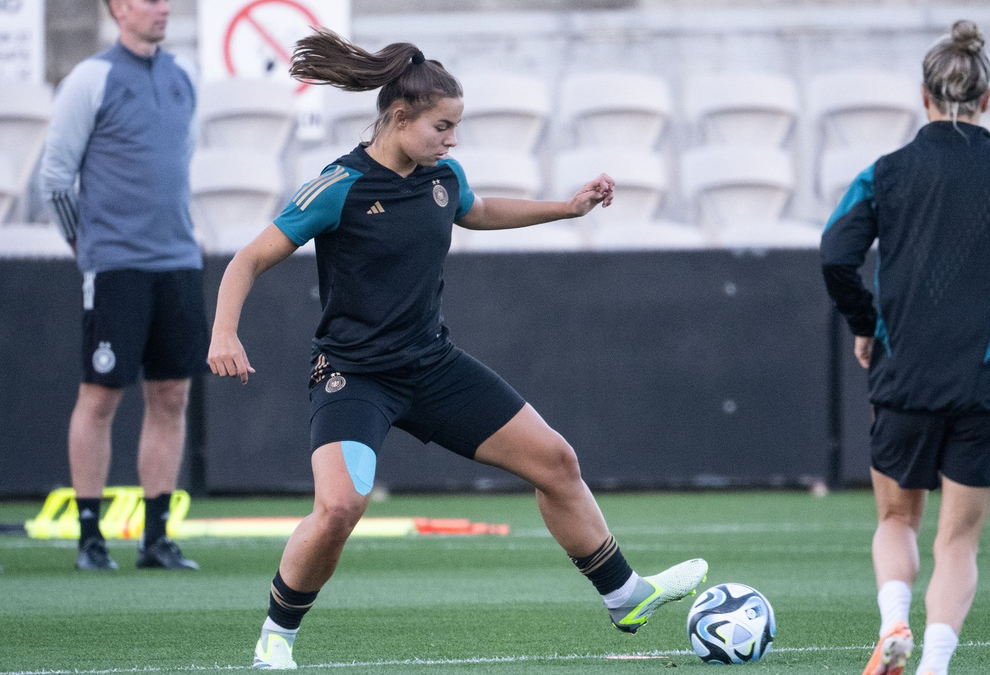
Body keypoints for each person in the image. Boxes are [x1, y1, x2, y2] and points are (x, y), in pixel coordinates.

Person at [207, 29, 707, 669]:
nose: (452, 139)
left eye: (456, 127)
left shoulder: (442, 176)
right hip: (355, 376)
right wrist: (225, 332)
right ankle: (277, 637)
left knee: (556, 461)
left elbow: (474, 210)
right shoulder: (339, 186)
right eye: (443, 126)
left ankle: (626, 596)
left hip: (431, 366)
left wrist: (568, 207)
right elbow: (247, 260)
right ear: (398, 117)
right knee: (339, 508)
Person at [820, 20, 990, 675]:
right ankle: (935, 664)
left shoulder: (885, 173)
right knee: (958, 538)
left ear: (923, 96)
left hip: (902, 376)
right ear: (987, 100)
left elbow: (835, 253)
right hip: (985, 385)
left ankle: (892, 623)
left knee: (896, 517)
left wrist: (865, 323)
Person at [40, 0, 203, 572]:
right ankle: (91, 537)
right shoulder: (91, 77)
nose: (161, 8)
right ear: (116, 8)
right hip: (115, 267)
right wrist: (87, 252)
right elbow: (56, 178)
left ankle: (155, 539)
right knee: (102, 395)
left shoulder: (186, 74)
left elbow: (183, 161)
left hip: (179, 261)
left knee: (171, 395)